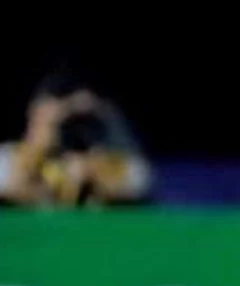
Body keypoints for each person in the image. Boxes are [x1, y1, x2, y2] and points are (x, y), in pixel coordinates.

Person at [0, 67, 151, 207]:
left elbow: (141, 184)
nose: (64, 131)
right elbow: (8, 188)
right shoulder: (10, 156)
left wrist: (93, 178)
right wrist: (44, 187)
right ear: (32, 119)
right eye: (51, 124)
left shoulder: (109, 163)